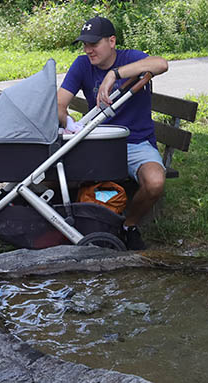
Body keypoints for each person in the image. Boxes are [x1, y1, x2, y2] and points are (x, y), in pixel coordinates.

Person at [57, 16, 168, 250]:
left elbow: (161, 64)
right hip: (100, 144)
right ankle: (81, 228)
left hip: (136, 143)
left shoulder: (131, 58)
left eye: (93, 44)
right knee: (59, 174)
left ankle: (127, 225)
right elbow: (59, 104)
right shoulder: (81, 65)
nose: (88, 50)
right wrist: (69, 121)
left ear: (112, 41)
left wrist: (114, 75)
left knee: (155, 183)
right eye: (85, 45)